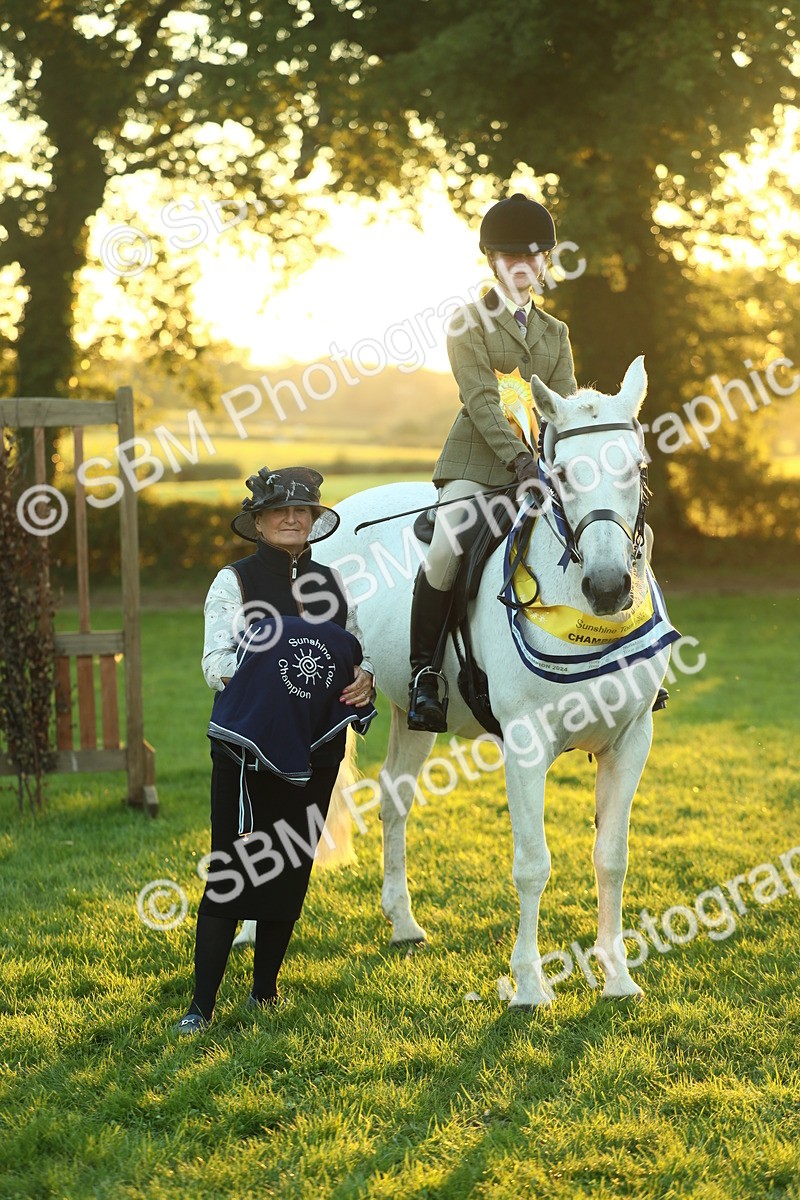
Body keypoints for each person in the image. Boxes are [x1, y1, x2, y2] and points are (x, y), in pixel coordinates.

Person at [175, 466, 375, 1035]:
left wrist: (365, 681)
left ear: (314, 521)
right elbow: (216, 667)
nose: (293, 518)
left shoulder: (334, 583)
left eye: (303, 510)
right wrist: (279, 655)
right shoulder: (232, 581)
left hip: (317, 748)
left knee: (290, 862)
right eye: (281, 510)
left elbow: (354, 659)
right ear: (259, 521)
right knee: (234, 869)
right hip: (246, 750)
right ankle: (200, 1007)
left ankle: (264, 993)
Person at [408, 193, 577, 733]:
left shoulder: (556, 333)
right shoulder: (468, 323)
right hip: (478, 466)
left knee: (601, 528)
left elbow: (565, 405)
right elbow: (481, 401)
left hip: (542, 470)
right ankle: (423, 676)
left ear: (545, 262)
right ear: (492, 262)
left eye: (532, 256)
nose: (522, 266)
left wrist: (561, 461)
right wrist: (520, 461)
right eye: (510, 257)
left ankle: (621, 663)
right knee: (445, 549)